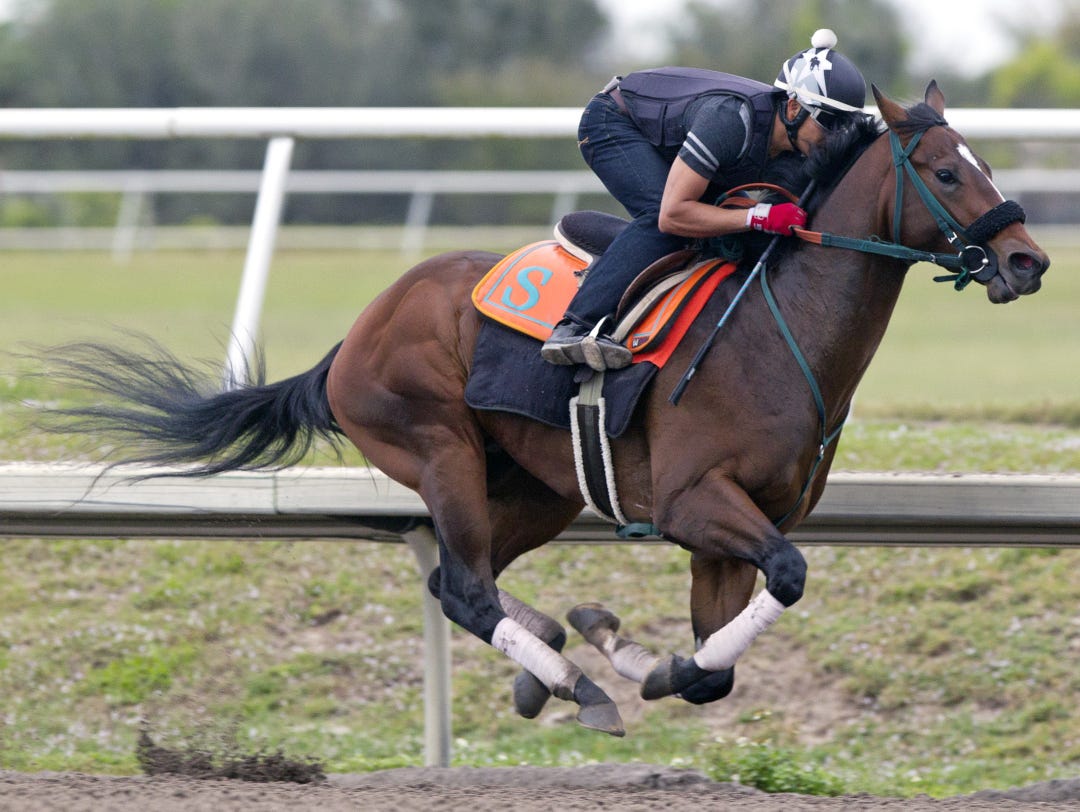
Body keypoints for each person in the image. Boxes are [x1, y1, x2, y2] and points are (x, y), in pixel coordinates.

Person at [541, 29, 867, 371]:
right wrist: (758, 216)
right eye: (829, 123)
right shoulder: (732, 121)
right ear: (794, 106)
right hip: (614, 122)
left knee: (733, 237)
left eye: (845, 126)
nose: (834, 137)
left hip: (677, 138)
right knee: (663, 220)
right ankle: (575, 325)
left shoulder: (793, 147)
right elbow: (673, 214)